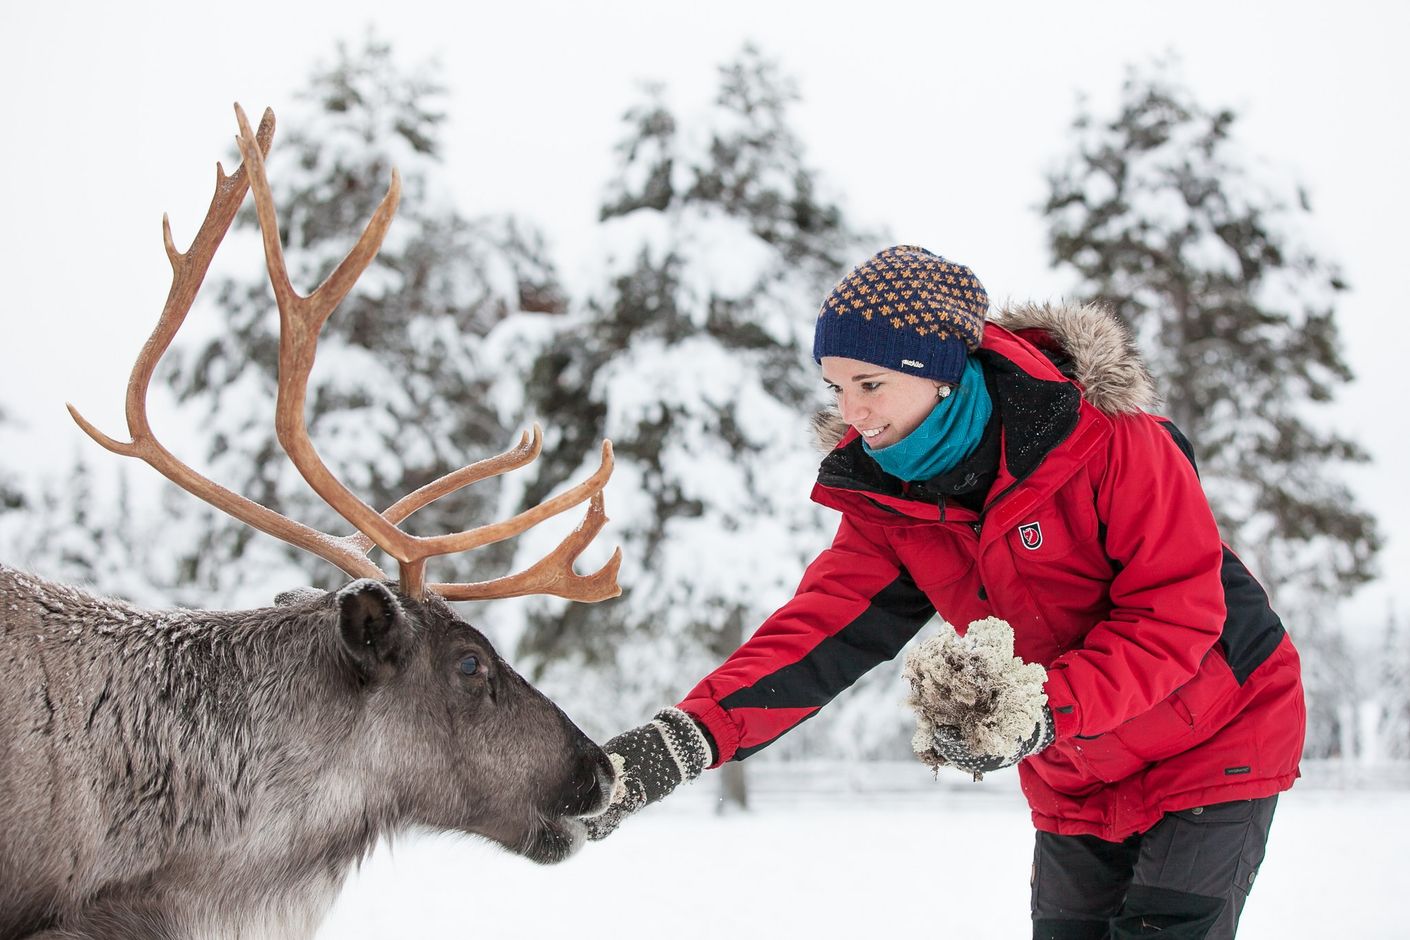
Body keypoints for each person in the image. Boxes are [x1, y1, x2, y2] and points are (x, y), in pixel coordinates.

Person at [586, 245, 1304, 940]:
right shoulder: (893, 500)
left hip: (1216, 734)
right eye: (836, 388)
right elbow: (817, 635)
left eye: (872, 384)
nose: (855, 412)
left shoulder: (1113, 443)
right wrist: (681, 741)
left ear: (940, 375)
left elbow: (1175, 619)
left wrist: (1038, 710)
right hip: (1076, 769)